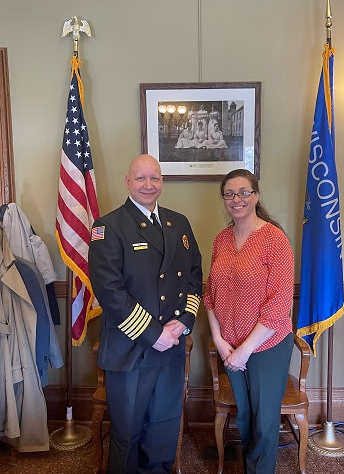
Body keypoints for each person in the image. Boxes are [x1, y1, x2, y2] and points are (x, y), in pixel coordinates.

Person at [88, 154, 202, 474]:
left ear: (162, 182)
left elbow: (194, 276)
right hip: (131, 349)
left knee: (163, 430)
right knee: (127, 434)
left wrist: (183, 322)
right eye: (141, 178)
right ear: (127, 182)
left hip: (172, 346)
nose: (148, 185)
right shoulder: (108, 227)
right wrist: (155, 333)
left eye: (155, 178)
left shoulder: (178, 222)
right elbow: (109, 292)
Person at [203, 169, 294, 474]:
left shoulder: (274, 240)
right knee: (244, 417)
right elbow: (210, 294)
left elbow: (280, 304)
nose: (237, 199)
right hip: (231, 346)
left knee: (265, 420)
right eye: (229, 194)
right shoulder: (221, 240)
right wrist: (219, 339)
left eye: (244, 192)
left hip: (267, 345)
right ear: (224, 200)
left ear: (255, 195)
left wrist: (246, 350)